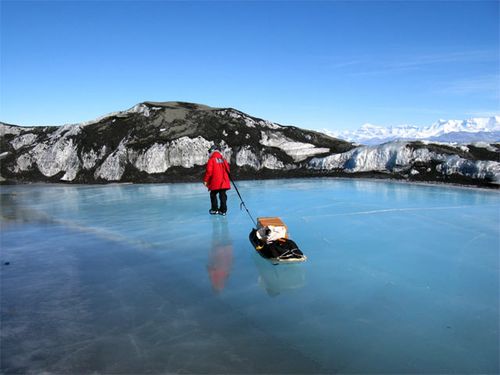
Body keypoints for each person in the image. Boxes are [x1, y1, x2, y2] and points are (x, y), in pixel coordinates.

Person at [203, 144, 231, 215]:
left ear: (212, 151)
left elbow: (209, 171)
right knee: (223, 195)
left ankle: (214, 209)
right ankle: (223, 211)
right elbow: (228, 170)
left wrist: (206, 180)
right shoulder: (223, 159)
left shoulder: (211, 160)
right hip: (224, 181)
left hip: (216, 182)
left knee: (213, 194)